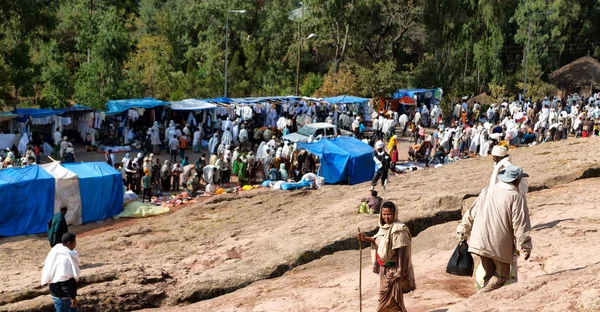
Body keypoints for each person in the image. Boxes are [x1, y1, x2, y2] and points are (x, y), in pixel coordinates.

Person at [457, 166, 532, 292]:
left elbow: (471, 213)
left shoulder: (488, 190)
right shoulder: (515, 197)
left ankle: (484, 302)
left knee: (489, 273)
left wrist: (463, 230)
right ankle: (479, 298)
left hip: (479, 239)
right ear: (517, 180)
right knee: (501, 276)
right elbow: (520, 225)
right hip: (498, 244)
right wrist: (526, 246)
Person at [357, 201, 415, 311]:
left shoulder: (399, 230)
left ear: (394, 214)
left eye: (389, 214)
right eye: (384, 214)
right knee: (390, 300)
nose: (386, 217)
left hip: (394, 271)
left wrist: (400, 272)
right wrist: (364, 238)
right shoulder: (383, 227)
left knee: (386, 302)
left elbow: (402, 251)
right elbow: (378, 240)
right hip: (384, 269)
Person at [41, 232, 80, 312]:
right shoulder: (64, 260)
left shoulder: (59, 250)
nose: (75, 244)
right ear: (69, 243)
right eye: (74, 242)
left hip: (62, 294)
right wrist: (73, 298)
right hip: (62, 296)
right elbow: (64, 282)